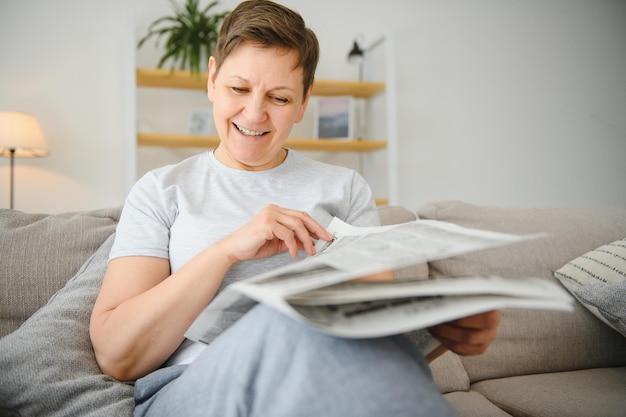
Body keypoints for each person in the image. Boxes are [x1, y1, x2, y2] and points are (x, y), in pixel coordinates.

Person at [90, 1, 500, 416]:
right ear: (212, 79)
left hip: (329, 386)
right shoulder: (162, 190)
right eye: (238, 88)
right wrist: (227, 250)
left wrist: (442, 331)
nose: (253, 113)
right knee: (289, 321)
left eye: (280, 97)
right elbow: (117, 355)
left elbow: (375, 340)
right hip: (194, 388)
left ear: (304, 102)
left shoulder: (346, 189)